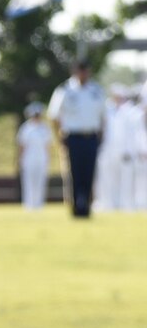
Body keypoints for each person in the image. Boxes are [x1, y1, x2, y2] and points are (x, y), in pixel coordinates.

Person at [47, 60, 105, 218]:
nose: (84, 74)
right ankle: (75, 205)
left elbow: (103, 116)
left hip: (91, 136)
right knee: (74, 173)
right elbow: (54, 115)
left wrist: (101, 135)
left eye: (86, 71)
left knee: (89, 172)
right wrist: (59, 136)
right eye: (81, 71)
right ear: (75, 72)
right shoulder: (65, 90)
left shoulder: (96, 90)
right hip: (72, 137)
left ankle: (86, 205)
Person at [16, 104, 51, 210]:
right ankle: (29, 204)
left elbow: (47, 145)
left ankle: (39, 204)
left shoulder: (45, 128)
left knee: (40, 182)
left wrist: (48, 158)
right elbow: (22, 145)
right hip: (28, 159)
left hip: (41, 159)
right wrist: (20, 159)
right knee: (28, 182)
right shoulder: (26, 128)